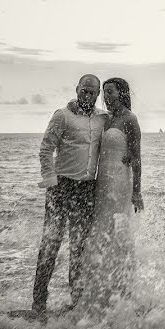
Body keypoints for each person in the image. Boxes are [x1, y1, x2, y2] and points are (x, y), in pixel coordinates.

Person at [32, 73, 108, 315]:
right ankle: (39, 302)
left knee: (79, 248)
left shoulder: (101, 119)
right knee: (50, 245)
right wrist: (51, 180)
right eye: (84, 90)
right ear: (77, 89)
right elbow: (46, 149)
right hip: (61, 186)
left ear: (98, 95)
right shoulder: (62, 115)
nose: (87, 94)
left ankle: (76, 302)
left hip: (86, 188)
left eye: (92, 91)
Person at [72, 76, 143, 309]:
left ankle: (123, 290)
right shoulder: (105, 119)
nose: (106, 97)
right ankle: (98, 290)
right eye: (104, 93)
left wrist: (137, 192)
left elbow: (137, 159)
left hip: (120, 183)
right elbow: (83, 115)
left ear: (121, 94)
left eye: (110, 92)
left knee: (117, 231)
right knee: (99, 231)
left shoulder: (130, 120)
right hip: (101, 182)